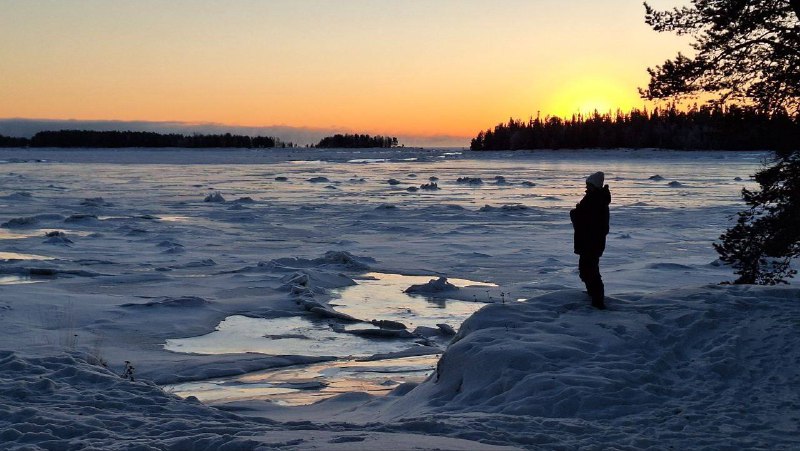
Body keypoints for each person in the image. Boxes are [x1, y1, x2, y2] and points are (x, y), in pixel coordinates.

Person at [570, 171, 611, 309]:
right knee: (585, 270)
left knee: (590, 271)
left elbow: (589, 222)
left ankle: (597, 301)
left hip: (591, 243)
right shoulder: (593, 198)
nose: (586, 187)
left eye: (589, 184)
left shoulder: (596, 200)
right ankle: (592, 295)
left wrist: (575, 214)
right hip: (588, 242)